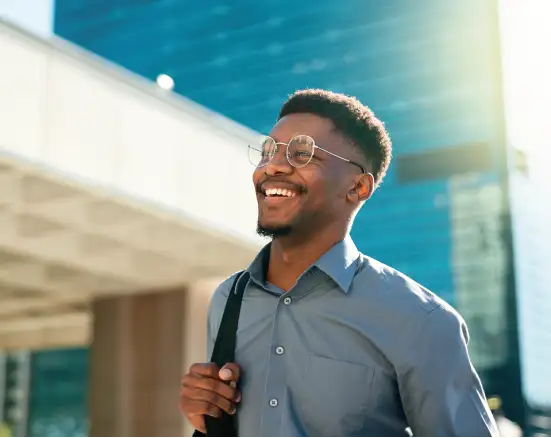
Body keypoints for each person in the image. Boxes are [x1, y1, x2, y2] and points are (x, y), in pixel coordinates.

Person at [180, 89, 499, 438]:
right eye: (268, 150)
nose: (272, 165)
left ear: (357, 187)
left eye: (302, 153)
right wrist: (207, 412)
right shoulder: (229, 298)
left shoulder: (422, 321)